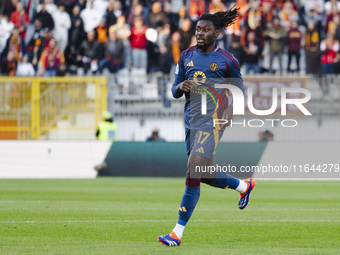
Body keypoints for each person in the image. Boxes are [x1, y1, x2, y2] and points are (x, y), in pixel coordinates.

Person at [157, 7, 255, 247]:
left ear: (217, 32)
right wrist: (181, 88)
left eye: (205, 30)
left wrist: (230, 111)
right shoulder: (186, 56)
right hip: (191, 122)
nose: (200, 33)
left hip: (213, 121)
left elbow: (239, 92)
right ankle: (244, 186)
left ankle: (176, 233)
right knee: (204, 175)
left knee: (192, 171)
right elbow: (174, 89)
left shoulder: (227, 60)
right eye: (198, 29)